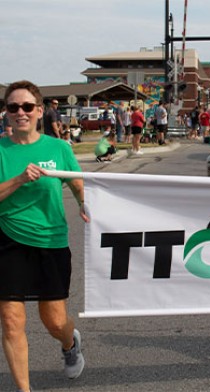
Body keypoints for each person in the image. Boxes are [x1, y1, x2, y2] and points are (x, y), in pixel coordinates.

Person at [0, 80, 88, 392]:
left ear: (39, 111)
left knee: (54, 321)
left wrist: (83, 205)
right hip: (8, 240)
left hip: (51, 241)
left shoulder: (59, 148)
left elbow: (77, 183)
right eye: (13, 107)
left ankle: (69, 344)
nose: (20, 112)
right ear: (6, 113)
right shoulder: (0, 151)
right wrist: (20, 179)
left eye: (26, 107)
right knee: (11, 320)